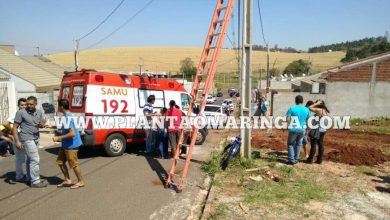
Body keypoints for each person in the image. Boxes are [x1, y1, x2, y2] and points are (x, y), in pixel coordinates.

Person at [12, 96, 48, 187]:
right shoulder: (20, 113)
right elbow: (15, 128)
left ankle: (29, 178)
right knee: (35, 159)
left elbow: (42, 121)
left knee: (30, 159)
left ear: (36, 104)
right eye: (27, 104)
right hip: (26, 138)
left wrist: (42, 124)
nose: (28, 106)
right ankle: (35, 181)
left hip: (36, 137)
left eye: (31, 104)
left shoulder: (38, 112)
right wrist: (17, 142)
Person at [53, 99, 85, 189]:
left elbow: (72, 133)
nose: (58, 107)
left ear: (61, 107)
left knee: (74, 164)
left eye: (58, 106)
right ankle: (67, 179)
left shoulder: (68, 117)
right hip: (65, 145)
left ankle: (81, 181)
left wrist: (59, 138)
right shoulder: (67, 116)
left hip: (71, 145)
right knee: (60, 162)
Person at [3, 98, 28, 182]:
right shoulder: (17, 114)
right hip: (19, 138)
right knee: (21, 159)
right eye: (22, 105)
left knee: (25, 158)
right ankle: (21, 176)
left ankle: (22, 176)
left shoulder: (27, 113)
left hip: (26, 137)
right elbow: (5, 123)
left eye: (25, 105)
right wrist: (12, 131)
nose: (24, 106)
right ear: (18, 106)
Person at [286, 95, 311, 165]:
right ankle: (296, 159)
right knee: (298, 144)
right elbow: (308, 121)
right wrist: (307, 130)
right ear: (302, 101)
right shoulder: (307, 110)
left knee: (290, 144)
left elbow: (287, 118)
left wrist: (288, 125)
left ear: (295, 101)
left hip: (293, 129)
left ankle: (291, 160)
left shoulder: (292, 108)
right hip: (302, 130)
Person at [306, 100, 330, 164]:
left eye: (316, 103)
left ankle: (310, 159)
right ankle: (319, 160)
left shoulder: (319, 110)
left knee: (313, 144)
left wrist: (316, 103)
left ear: (319, 104)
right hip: (323, 130)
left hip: (317, 130)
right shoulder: (325, 111)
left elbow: (309, 107)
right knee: (320, 144)